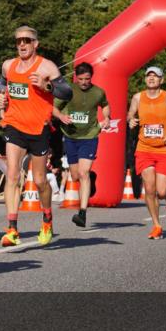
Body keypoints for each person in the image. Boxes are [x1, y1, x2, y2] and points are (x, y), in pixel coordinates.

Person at [0, 25, 72, 247]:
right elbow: (2, 85)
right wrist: (1, 99)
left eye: (27, 40)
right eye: (18, 41)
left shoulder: (46, 66)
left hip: (39, 128)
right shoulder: (8, 65)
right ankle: (12, 229)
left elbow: (67, 92)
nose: (22, 44)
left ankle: (47, 219)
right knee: (12, 175)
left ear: (35, 44)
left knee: (39, 181)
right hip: (14, 125)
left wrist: (47, 86)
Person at [127, 66, 166, 239]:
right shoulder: (138, 97)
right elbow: (130, 113)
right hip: (144, 148)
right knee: (149, 189)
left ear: (162, 80)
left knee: (161, 191)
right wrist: (130, 120)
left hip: (164, 151)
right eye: (148, 76)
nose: (151, 78)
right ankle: (156, 225)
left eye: (156, 76)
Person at [53, 61, 110, 228]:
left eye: (87, 79)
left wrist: (106, 118)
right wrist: (61, 117)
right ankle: (90, 178)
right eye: (81, 79)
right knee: (76, 176)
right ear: (75, 77)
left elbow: (105, 106)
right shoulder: (67, 91)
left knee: (83, 173)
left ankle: (82, 213)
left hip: (90, 136)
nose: (84, 82)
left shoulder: (98, 92)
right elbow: (54, 109)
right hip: (70, 136)